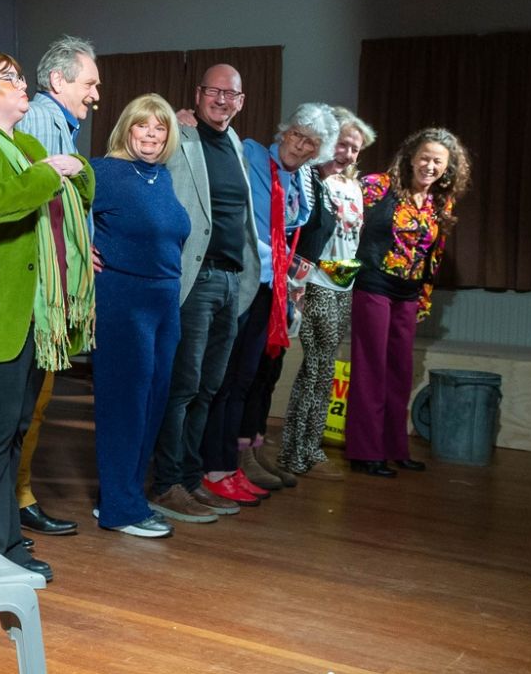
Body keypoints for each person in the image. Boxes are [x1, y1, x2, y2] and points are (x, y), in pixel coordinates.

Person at [0, 51, 95, 581]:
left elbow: (82, 191)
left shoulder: (26, 146)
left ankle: (3, 542)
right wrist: (49, 175)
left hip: (32, 316)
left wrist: (75, 170)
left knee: (12, 434)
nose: (23, 84)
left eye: (21, 77)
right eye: (10, 79)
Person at [197, 104, 337, 508]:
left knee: (244, 380)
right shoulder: (252, 153)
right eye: (297, 135)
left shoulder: (300, 182)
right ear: (283, 132)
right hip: (239, 281)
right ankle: (211, 468)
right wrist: (188, 119)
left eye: (311, 143)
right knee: (222, 380)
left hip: (271, 290)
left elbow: (292, 230)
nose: (301, 145)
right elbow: (214, 143)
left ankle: (230, 466)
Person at [147, 64, 261, 527]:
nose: (221, 100)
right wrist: (172, 119)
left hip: (232, 281)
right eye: (214, 91)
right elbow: (144, 153)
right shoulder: (180, 134)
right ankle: (166, 483)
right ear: (198, 95)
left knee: (209, 388)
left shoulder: (235, 143)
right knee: (184, 386)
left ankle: (191, 480)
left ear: (241, 101)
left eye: (230, 94)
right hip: (196, 278)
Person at [88, 94, 188, 538]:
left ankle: (121, 494)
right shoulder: (103, 171)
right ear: (126, 128)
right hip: (123, 300)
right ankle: (121, 509)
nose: (151, 134)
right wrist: (80, 248)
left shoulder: (161, 176)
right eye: (142, 125)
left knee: (152, 402)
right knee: (124, 403)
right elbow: (55, 210)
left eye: (160, 127)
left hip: (164, 301)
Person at [12, 36, 100, 538]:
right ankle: (16, 499)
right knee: (30, 403)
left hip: (48, 282)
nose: (95, 95)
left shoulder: (58, 122)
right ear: (58, 80)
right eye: (89, 83)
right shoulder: (44, 119)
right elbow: (44, 205)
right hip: (38, 288)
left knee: (36, 401)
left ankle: (18, 497)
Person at [346, 127, 470, 476]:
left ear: (448, 167)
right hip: (374, 285)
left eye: (438, 162)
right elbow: (342, 208)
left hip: (409, 293)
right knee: (371, 369)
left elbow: (434, 256)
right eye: (425, 158)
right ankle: (365, 452)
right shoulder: (378, 186)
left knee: (401, 372)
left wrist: (424, 299)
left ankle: (394, 448)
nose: (430, 166)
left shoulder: (440, 202)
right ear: (411, 158)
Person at [275, 109, 376, 478]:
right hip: (314, 283)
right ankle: (295, 451)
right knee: (316, 367)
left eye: (354, 149)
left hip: (343, 284)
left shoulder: (354, 186)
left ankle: (309, 447)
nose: (346, 153)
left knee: (324, 369)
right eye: (342, 144)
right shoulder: (310, 181)